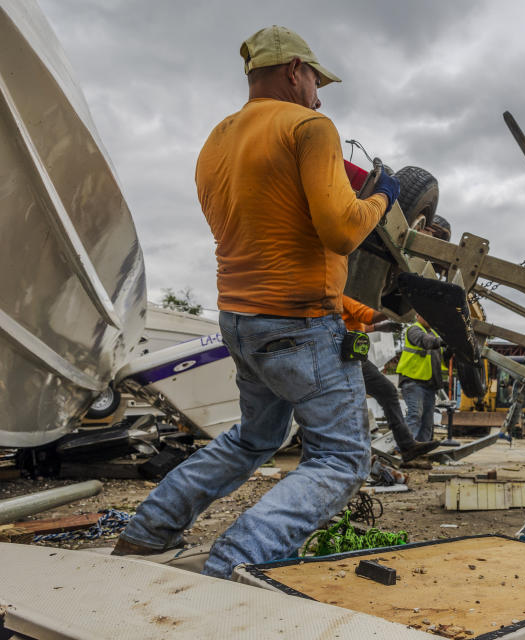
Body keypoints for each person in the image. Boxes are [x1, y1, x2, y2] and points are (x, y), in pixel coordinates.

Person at [112, 26, 400, 579]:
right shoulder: (310, 126)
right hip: (301, 322)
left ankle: (146, 534)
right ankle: (233, 567)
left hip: (240, 320)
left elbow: (266, 222)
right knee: (340, 459)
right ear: (295, 70)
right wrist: (383, 193)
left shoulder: (216, 140)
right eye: (317, 79)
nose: (320, 93)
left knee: (256, 437)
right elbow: (341, 231)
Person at [341, 296, 440, 462]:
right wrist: (404, 306)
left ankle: (406, 445)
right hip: (346, 356)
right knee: (383, 394)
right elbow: (370, 315)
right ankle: (406, 445)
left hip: (350, 354)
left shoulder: (338, 295)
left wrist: (380, 327)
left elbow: (353, 324)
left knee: (382, 394)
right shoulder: (347, 294)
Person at [396, 314, 444, 442]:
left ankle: (422, 449)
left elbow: (444, 356)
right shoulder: (414, 330)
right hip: (413, 381)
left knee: (427, 421)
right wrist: (445, 340)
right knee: (415, 415)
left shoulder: (434, 333)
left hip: (429, 384)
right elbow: (426, 341)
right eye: (424, 314)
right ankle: (405, 447)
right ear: (417, 316)